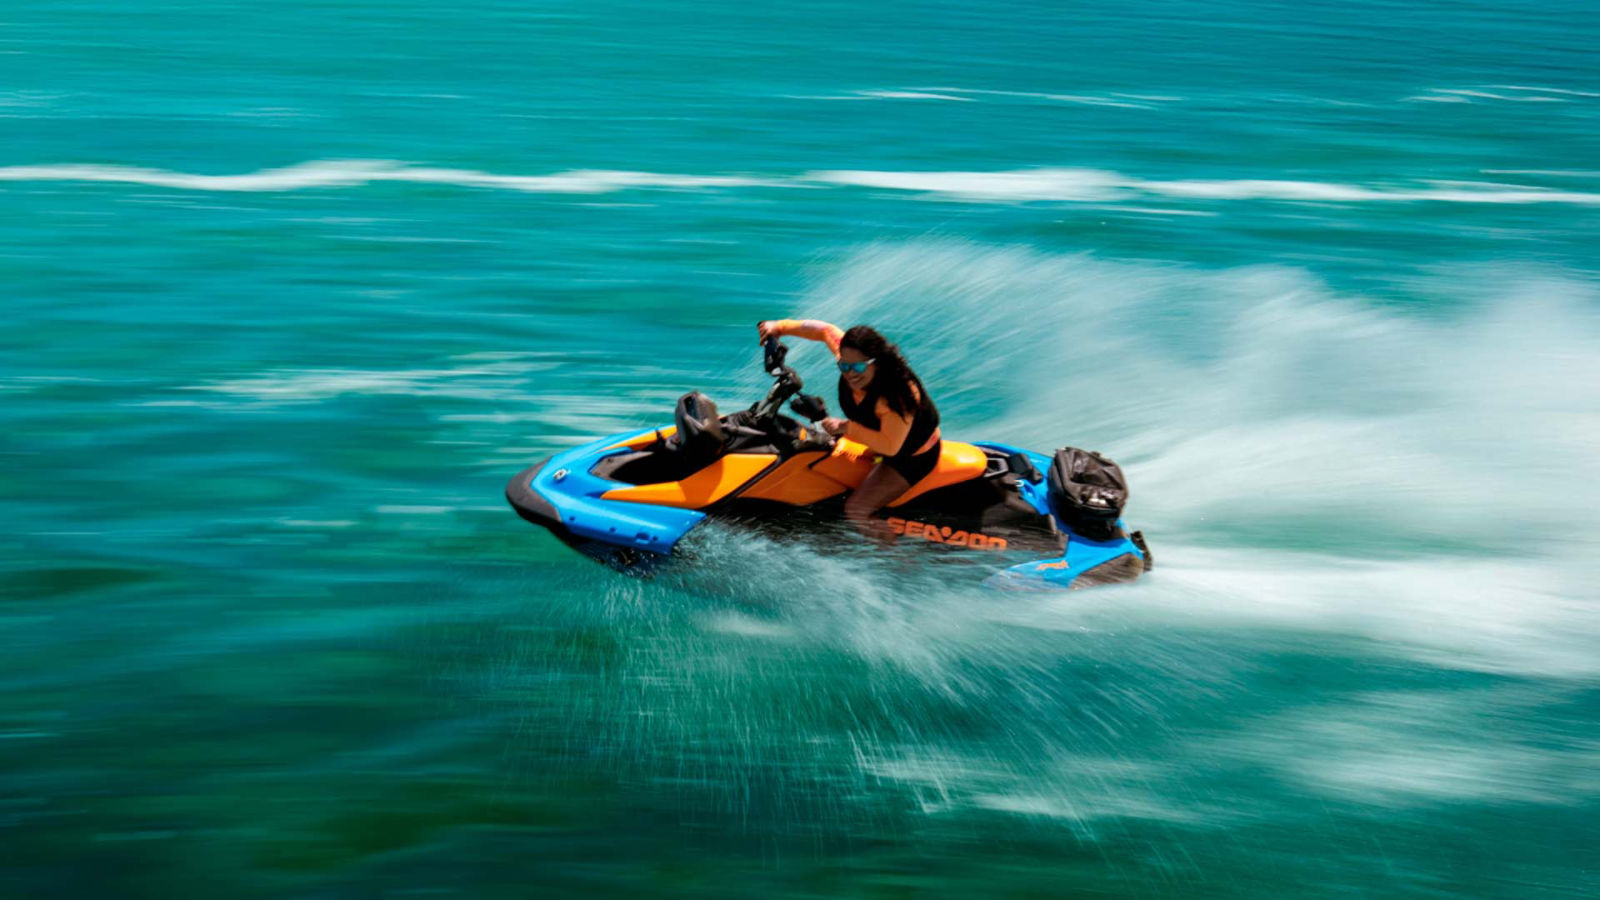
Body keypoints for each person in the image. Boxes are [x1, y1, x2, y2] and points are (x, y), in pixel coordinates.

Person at [756, 319, 942, 539]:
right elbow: (824, 331)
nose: (850, 373)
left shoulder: (898, 394)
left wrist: (845, 427)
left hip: (911, 458)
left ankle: (893, 553)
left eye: (858, 367)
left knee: (857, 510)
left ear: (877, 362)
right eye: (844, 366)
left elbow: (890, 447)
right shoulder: (851, 359)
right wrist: (779, 327)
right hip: (875, 441)